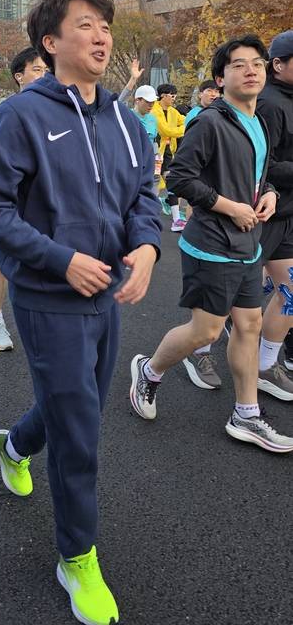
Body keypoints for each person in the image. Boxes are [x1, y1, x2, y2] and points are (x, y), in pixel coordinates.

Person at [0, 0, 162, 625]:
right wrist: (58, 258)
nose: (101, 35)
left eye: (104, 25)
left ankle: (14, 446)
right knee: (80, 430)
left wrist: (148, 249)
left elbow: (144, 201)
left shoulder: (128, 122)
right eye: (84, 25)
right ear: (50, 43)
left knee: (70, 408)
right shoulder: (21, 114)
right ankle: (76, 557)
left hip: (106, 297)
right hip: (49, 299)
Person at [130, 34, 293, 453]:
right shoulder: (209, 121)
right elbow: (180, 178)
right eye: (239, 65)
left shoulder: (258, 121)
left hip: (248, 243)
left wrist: (270, 191)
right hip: (212, 245)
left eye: (257, 62)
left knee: (250, 325)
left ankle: (246, 414)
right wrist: (230, 207)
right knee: (205, 331)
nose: (251, 70)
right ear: (220, 78)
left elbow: (261, 172)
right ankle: (149, 371)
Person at [0, 47, 48, 353]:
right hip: (14, 209)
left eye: (47, 70)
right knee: (1, 266)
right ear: (19, 76)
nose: (44, 75)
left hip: (47, 209)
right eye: (37, 70)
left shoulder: (56, 109)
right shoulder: (8, 112)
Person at [254, 30, 293, 399]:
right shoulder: (268, 103)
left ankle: (265, 364)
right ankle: (191, 354)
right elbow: (263, 164)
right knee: (227, 301)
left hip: (288, 215)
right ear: (278, 64)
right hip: (262, 214)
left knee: (291, 291)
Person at [151, 83, 186, 231]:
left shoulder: (173, 112)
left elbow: (186, 121)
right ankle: (149, 218)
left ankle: (176, 219)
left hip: (167, 153)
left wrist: (180, 127)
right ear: (163, 95)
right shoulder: (154, 110)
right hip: (154, 153)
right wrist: (182, 129)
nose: (174, 98)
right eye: (172, 95)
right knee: (152, 187)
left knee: (172, 181)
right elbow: (166, 130)